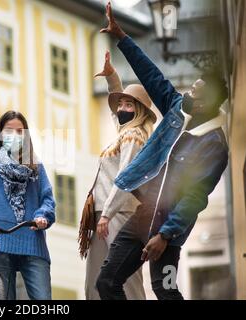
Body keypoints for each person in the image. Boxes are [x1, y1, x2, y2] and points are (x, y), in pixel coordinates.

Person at [95, 2, 229, 300]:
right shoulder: (177, 109)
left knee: (164, 290)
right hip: (143, 215)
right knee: (106, 283)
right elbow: (151, 75)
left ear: (208, 102)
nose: (188, 94)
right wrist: (121, 37)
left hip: (169, 226)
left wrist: (166, 235)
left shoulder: (214, 144)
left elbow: (195, 196)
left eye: (195, 92)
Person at [0, 51, 56, 300]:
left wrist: (42, 216)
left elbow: (49, 201)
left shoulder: (35, 167)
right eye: (9, 130)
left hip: (32, 244)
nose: (14, 135)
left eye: (20, 131)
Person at [81, 50, 156, 300]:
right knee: (97, 279)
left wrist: (109, 213)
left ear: (140, 111)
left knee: (124, 279)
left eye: (129, 105)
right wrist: (112, 77)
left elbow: (126, 175)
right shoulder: (125, 133)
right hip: (105, 213)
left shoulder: (134, 135)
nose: (122, 109)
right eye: (121, 104)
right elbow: (117, 117)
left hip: (120, 213)